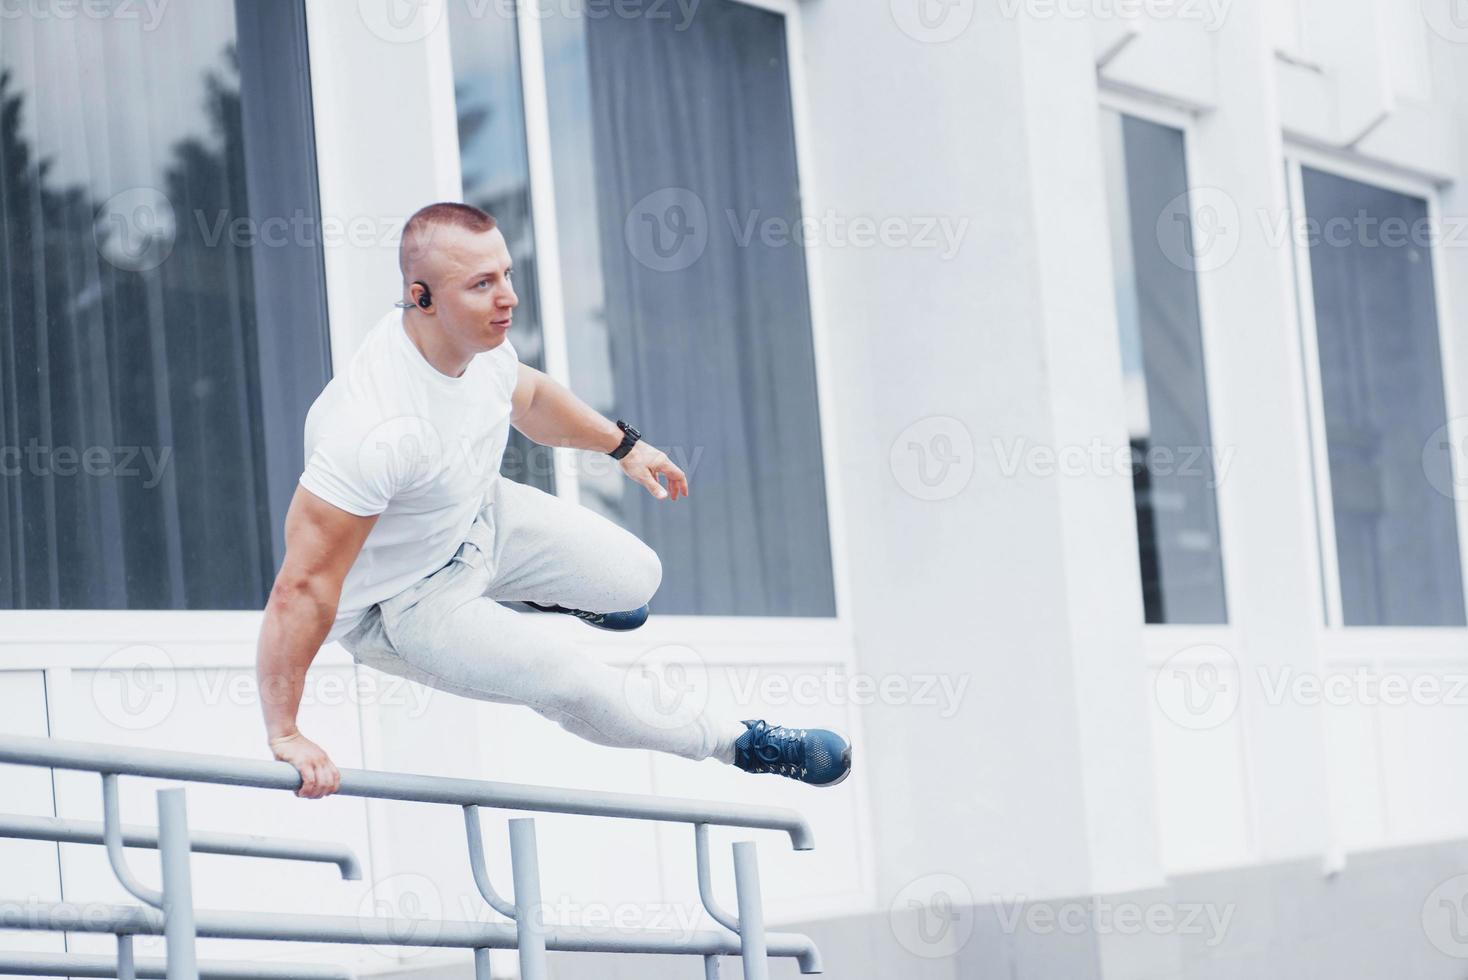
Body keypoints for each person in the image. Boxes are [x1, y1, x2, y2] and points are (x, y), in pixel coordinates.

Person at [255, 202, 852, 799]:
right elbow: (302, 588)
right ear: (422, 298)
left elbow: (533, 399)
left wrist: (625, 448)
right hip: (403, 605)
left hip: (476, 517)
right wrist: (286, 732)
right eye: (482, 284)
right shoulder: (372, 429)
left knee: (636, 580)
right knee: (567, 677)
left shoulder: (479, 348)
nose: (508, 298)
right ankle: (739, 743)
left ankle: (545, 594)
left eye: (507, 275)